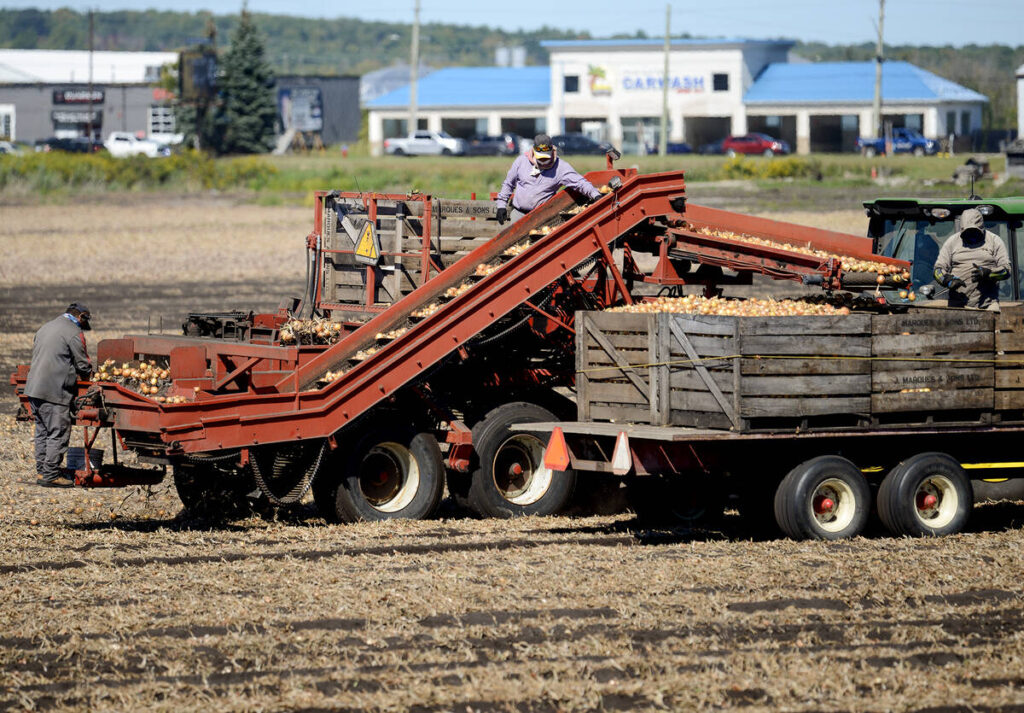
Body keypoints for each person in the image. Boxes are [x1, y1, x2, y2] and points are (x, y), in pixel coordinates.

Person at [24, 303, 94, 487]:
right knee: (58, 432)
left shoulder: (45, 327)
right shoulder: (73, 332)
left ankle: (42, 472)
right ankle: (51, 475)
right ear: (81, 317)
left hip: (34, 388)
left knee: (42, 432)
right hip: (54, 389)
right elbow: (83, 364)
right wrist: (90, 374)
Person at [494, 133, 602, 225]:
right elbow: (508, 184)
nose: (544, 161)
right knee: (514, 245)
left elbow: (580, 182)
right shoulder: (521, 161)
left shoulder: (560, 167)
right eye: (541, 158)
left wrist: (595, 195)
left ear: (552, 151)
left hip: (543, 216)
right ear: (534, 152)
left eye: (546, 157)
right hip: (519, 213)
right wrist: (501, 206)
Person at [933, 208, 1011, 310]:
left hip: (987, 304)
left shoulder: (994, 241)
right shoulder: (952, 242)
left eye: (975, 232)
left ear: (982, 228)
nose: (972, 236)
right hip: (957, 304)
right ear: (962, 229)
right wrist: (947, 280)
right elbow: (937, 270)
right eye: (968, 233)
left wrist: (989, 274)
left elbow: (1006, 271)